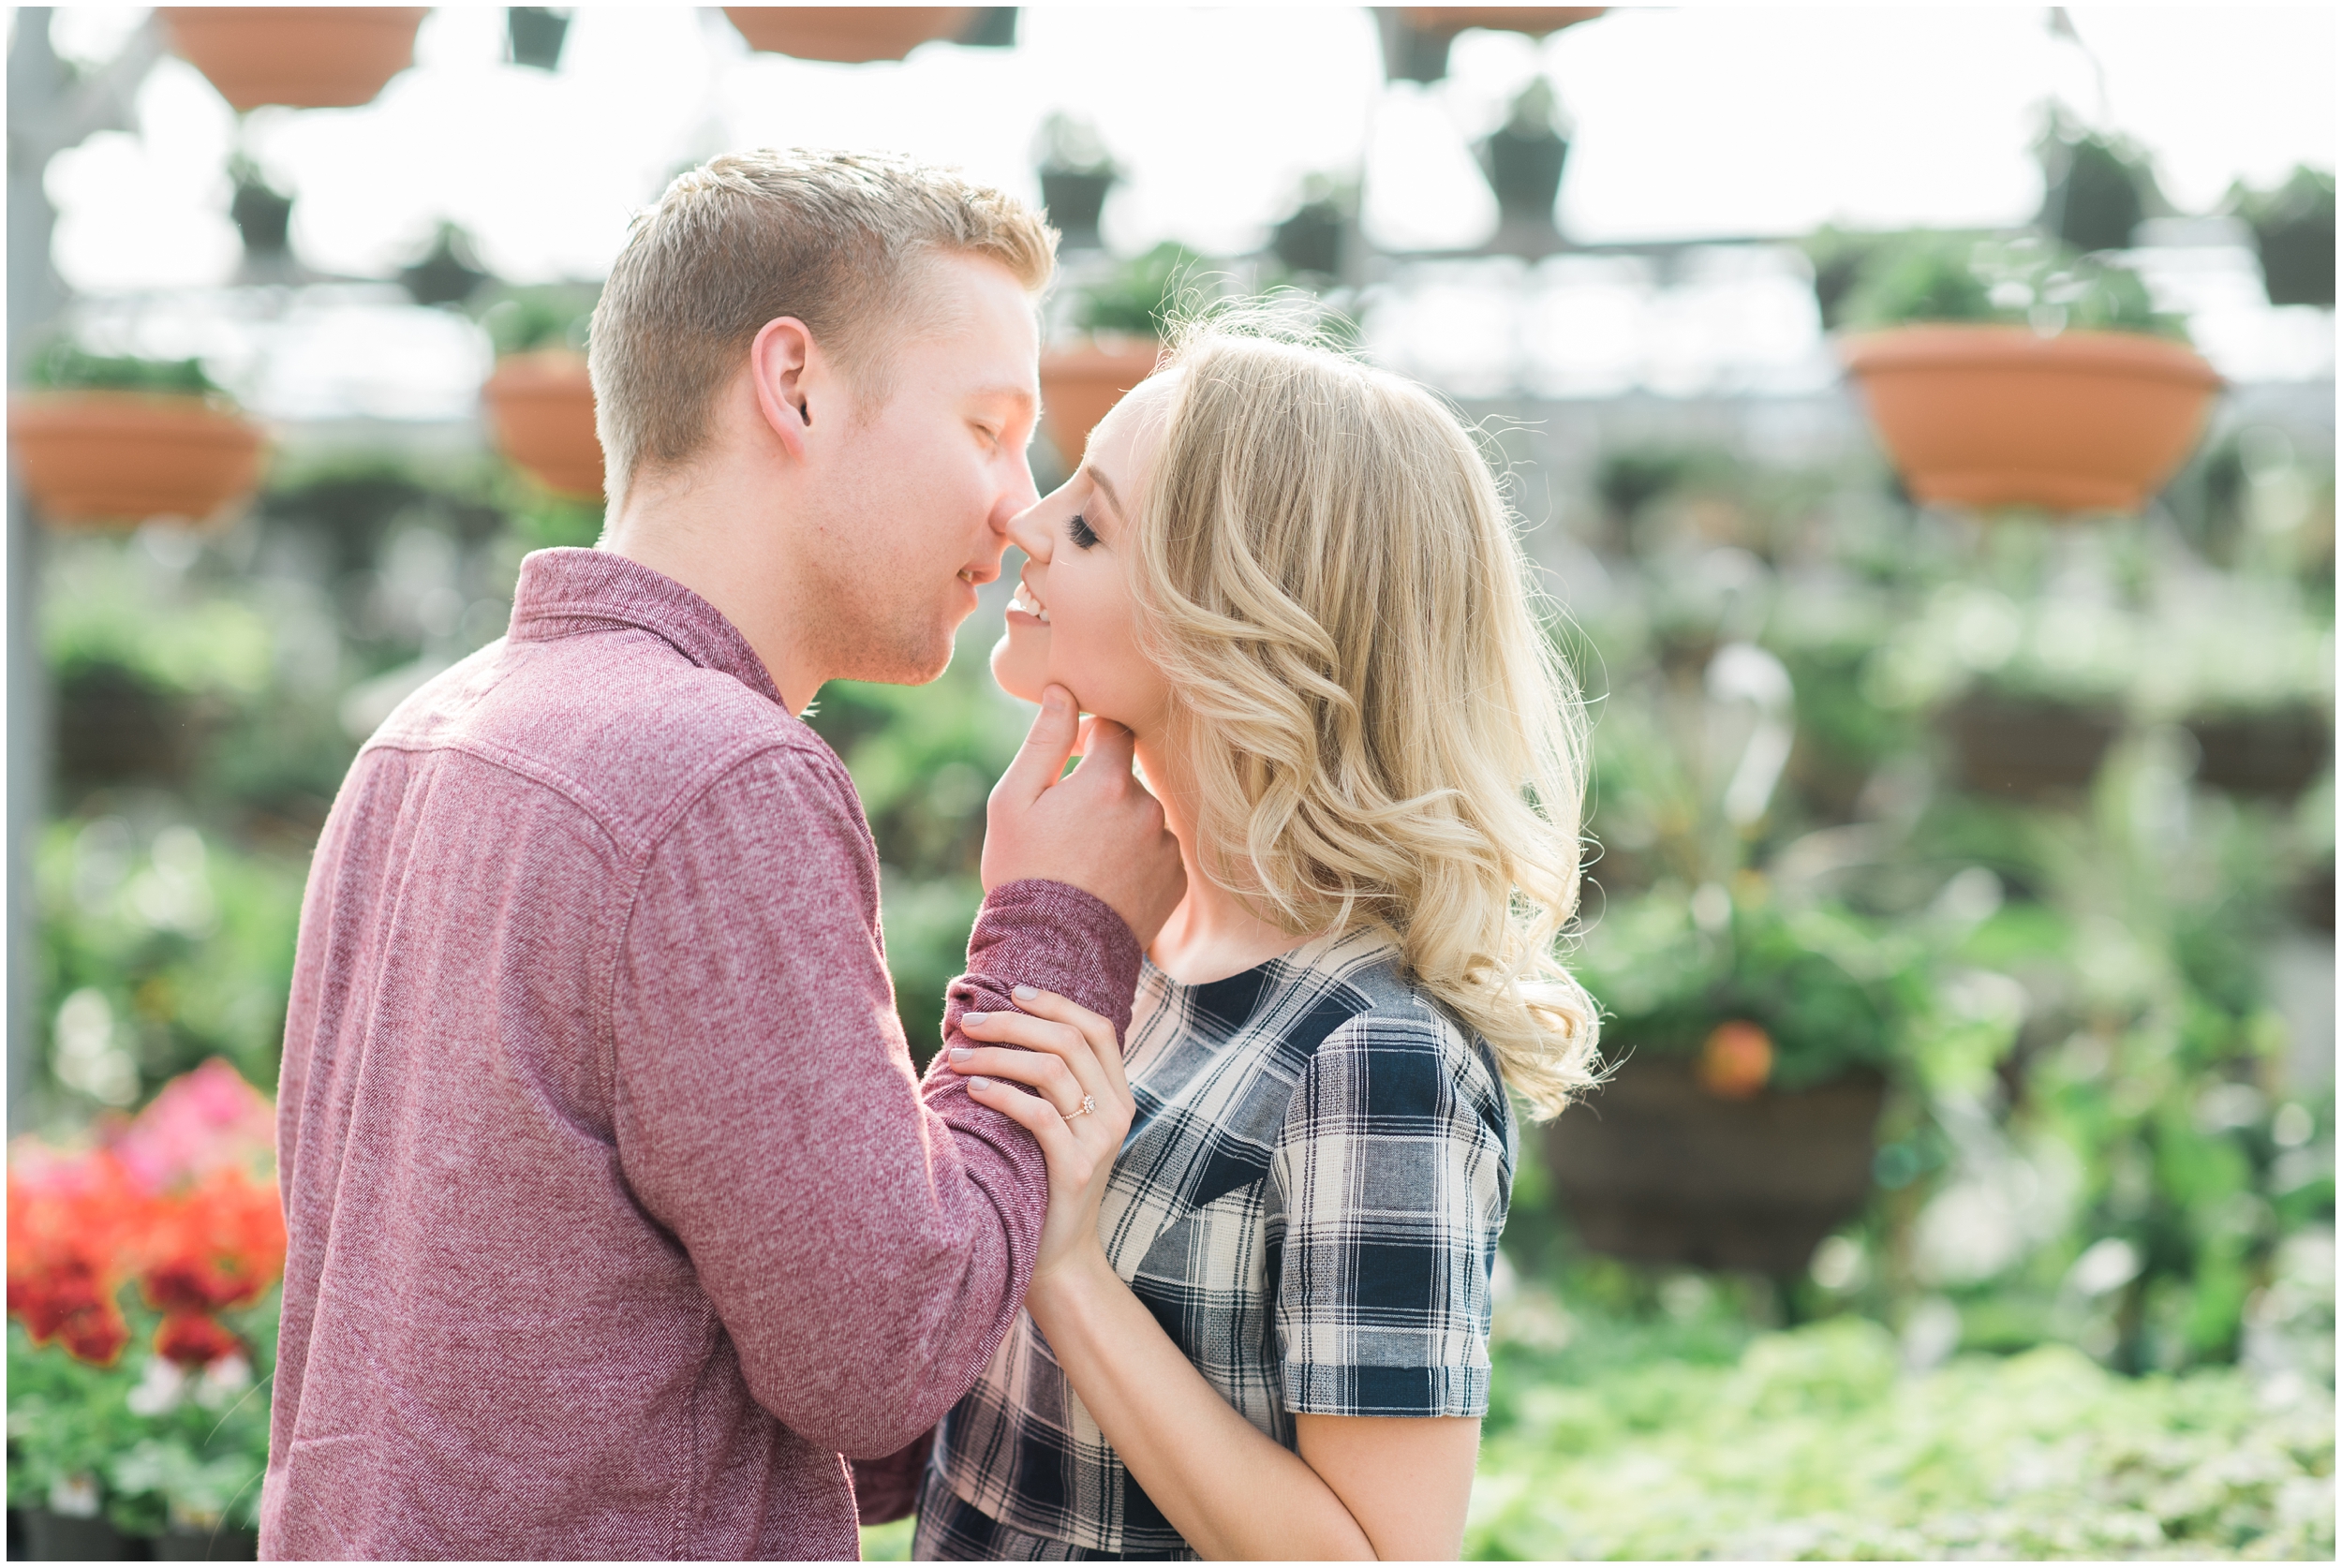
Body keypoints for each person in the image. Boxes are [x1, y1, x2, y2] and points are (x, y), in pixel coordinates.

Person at [259, 150, 1185, 1561]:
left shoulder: (421, 737)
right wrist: (1058, 931)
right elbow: (880, 1362)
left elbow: (824, 1397)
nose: (1018, 505)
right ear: (794, 383)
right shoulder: (717, 777)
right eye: (991, 427)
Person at [907, 318, 1603, 1560]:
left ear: (1233, 623)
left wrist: (1068, 1270)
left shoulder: (1379, 1059)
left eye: (1091, 522)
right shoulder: (1129, 942)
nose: (1024, 523)